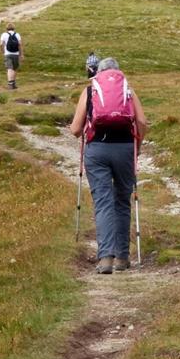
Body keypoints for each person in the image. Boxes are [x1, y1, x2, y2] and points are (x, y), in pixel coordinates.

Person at [69, 58, 149, 274]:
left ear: (99, 73)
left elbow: (76, 129)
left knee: (103, 202)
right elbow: (141, 122)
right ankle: (122, 257)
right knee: (122, 201)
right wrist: (137, 146)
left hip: (97, 151)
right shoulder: (129, 91)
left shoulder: (89, 91)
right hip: (124, 149)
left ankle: (105, 259)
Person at [0, 23, 23, 89]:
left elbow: (1, 44)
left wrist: (2, 51)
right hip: (16, 54)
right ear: (14, 28)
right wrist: (21, 54)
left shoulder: (4, 34)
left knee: (9, 68)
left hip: (8, 54)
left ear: (6, 28)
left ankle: (10, 84)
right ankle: (13, 83)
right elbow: (20, 45)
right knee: (15, 68)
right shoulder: (17, 34)